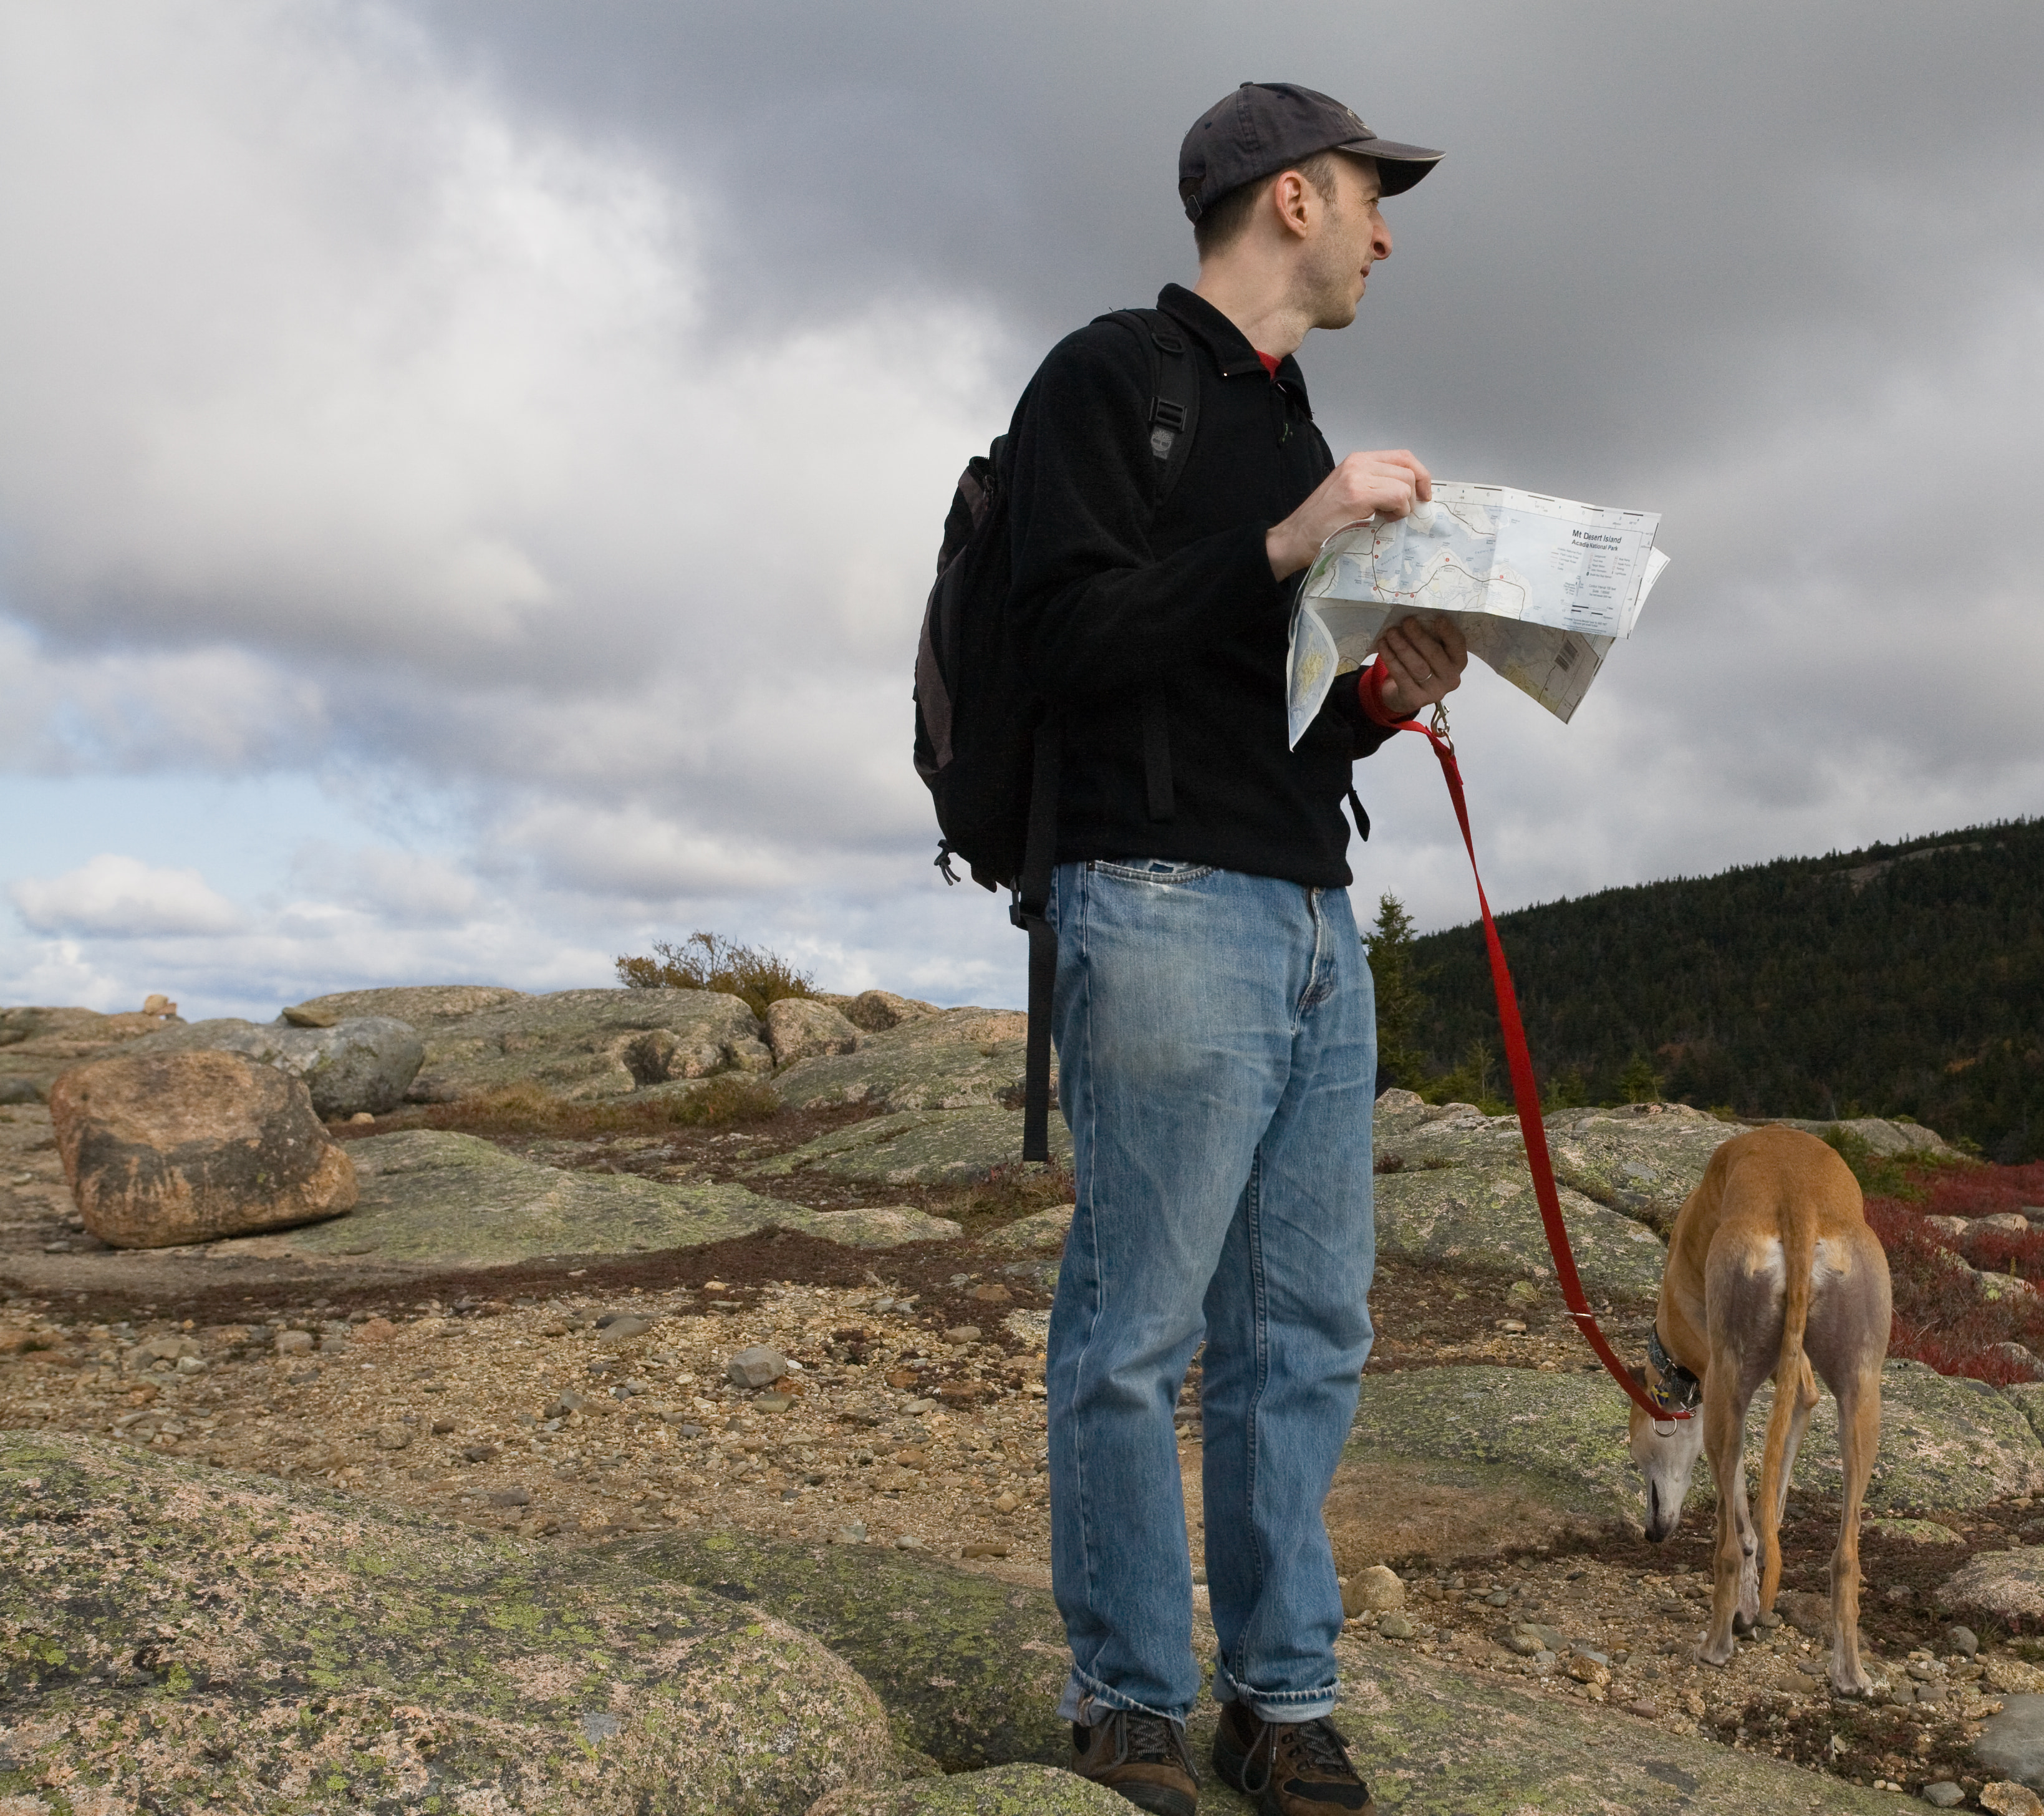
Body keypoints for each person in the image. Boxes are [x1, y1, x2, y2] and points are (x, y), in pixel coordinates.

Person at [1003, 83, 1471, 1816]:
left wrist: (1373, 700)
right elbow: (1053, 639)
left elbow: (1253, 700)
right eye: (1369, 195)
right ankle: (1129, 1698)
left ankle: (1280, 1704)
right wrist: (1289, 538)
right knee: (1137, 1329)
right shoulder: (1108, 380)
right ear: (1292, 201)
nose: (1386, 230)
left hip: (1306, 916)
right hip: (1160, 903)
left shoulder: (1293, 419)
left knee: (1309, 1329)